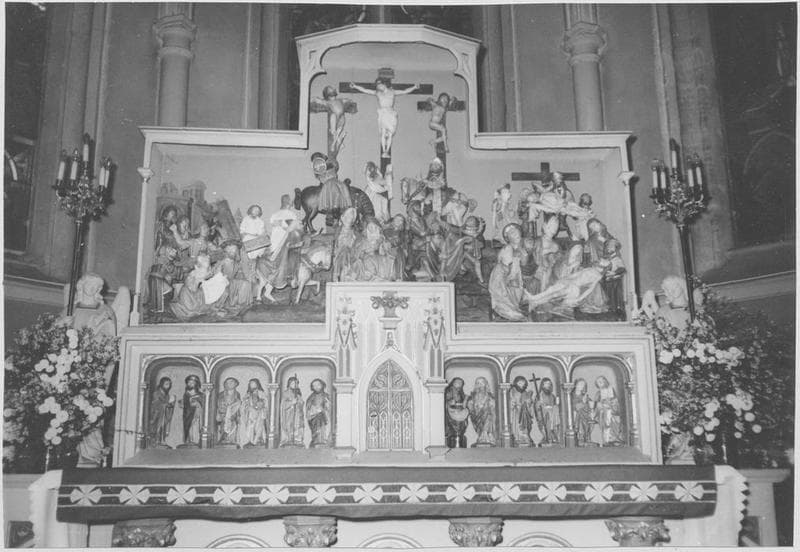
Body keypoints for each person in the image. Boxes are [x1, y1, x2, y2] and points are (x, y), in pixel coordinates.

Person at [350, 77, 420, 158]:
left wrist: (414, 87)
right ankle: (384, 151)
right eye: (377, 87)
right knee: (383, 132)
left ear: (384, 84)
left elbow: (404, 91)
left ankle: (387, 151)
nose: (378, 88)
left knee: (390, 134)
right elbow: (366, 90)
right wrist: (355, 86)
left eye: (379, 86)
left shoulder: (392, 92)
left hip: (391, 114)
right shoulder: (377, 93)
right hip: (383, 113)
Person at [488, 223, 529, 321]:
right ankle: (506, 310)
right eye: (512, 233)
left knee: (516, 292)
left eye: (516, 231)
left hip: (517, 277)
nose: (515, 234)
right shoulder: (506, 249)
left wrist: (524, 255)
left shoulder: (523, 248)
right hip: (502, 276)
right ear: (508, 238)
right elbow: (504, 266)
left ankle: (514, 308)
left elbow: (525, 264)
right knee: (503, 294)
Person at [309, 84, 357, 156]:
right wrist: (313, 99)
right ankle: (338, 143)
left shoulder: (340, 100)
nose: (333, 91)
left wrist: (349, 100)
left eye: (333, 90)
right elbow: (318, 100)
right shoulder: (327, 102)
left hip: (341, 116)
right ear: (328, 95)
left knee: (339, 129)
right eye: (331, 91)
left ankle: (337, 143)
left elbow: (346, 100)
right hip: (334, 116)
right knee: (333, 130)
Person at [170, 253, 212, 320]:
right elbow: (191, 308)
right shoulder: (188, 286)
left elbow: (202, 303)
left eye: (207, 268)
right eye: (205, 268)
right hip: (188, 303)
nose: (208, 271)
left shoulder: (200, 287)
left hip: (195, 297)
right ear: (196, 267)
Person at [216, 240, 256, 309]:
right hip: (223, 283)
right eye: (230, 250)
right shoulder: (225, 261)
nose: (232, 252)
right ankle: (231, 303)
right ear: (226, 251)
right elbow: (221, 275)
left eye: (234, 250)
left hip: (231, 281)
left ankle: (241, 303)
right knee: (242, 284)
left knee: (246, 283)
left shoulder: (236, 261)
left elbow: (241, 272)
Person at [239, 378, 269, 448]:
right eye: (251, 384)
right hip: (250, 414)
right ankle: (249, 440)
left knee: (259, 426)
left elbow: (265, 402)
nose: (252, 385)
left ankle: (257, 440)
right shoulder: (248, 394)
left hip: (259, 413)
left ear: (257, 384)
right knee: (250, 427)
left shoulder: (261, 393)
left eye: (253, 383)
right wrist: (247, 407)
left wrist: (260, 405)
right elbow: (244, 404)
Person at [466, 377, 496, 446]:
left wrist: (490, 404)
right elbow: (470, 405)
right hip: (477, 416)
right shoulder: (473, 396)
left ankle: (486, 436)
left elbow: (493, 405)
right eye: (478, 383)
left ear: (486, 384)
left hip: (487, 415)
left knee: (489, 416)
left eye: (482, 383)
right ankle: (481, 436)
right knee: (481, 426)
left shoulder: (489, 395)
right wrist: (471, 405)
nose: (480, 385)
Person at [594, 376, 624, 446]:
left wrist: (612, 403)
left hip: (612, 412)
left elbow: (616, 402)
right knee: (606, 424)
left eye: (602, 381)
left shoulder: (611, 390)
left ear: (605, 381)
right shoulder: (598, 393)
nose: (601, 383)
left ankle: (614, 439)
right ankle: (607, 440)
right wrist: (601, 405)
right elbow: (596, 404)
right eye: (599, 382)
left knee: (614, 422)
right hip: (603, 413)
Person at [332, 207, 359, 281]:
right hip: (338, 253)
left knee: (345, 251)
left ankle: (346, 274)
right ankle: (338, 275)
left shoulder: (355, 233)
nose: (349, 219)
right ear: (342, 217)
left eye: (351, 217)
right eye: (347, 216)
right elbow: (334, 244)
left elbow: (357, 245)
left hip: (351, 254)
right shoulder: (338, 231)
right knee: (343, 252)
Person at [148, 377, 176, 448]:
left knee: (163, 426)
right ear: (161, 384)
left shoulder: (167, 395)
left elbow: (166, 404)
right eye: (166, 384)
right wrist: (166, 404)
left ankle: (162, 440)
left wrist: (171, 403)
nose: (168, 386)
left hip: (163, 415)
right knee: (158, 427)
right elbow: (156, 403)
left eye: (169, 384)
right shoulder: (156, 393)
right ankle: (157, 441)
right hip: (157, 415)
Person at [509, 375, 535, 447]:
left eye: (523, 383)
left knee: (525, 425)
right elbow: (510, 403)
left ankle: (525, 436)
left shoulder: (525, 393)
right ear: (516, 383)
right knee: (518, 425)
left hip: (525, 413)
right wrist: (513, 404)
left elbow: (530, 405)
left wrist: (529, 402)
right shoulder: (513, 392)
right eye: (519, 383)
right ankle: (518, 437)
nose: (521, 385)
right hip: (517, 413)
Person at [534, 377, 561, 446]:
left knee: (555, 412)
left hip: (553, 414)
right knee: (548, 417)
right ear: (542, 385)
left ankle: (553, 436)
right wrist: (541, 405)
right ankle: (547, 437)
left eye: (549, 384)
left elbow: (554, 405)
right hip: (544, 415)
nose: (548, 385)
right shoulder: (540, 395)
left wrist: (555, 406)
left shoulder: (552, 396)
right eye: (546, 384)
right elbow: (537, 407)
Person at [216, 377, 241, 446]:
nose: (229, 384)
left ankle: (231, 440)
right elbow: (219, 404)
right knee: (224, 427)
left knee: (233, 426)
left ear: (236, 384)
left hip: (233, 415)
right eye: (227, 383)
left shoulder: (237, 394)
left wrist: (238, 415)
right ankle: (224, 439)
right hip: (224, 414)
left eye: (231, 382)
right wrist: (225, 411)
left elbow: (238, 405)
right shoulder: (221, 394)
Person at [280, 376, 305, 447]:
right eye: (293, 383)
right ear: (289, 384)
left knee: (298, 426)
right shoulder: (286, 393)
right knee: (289, 426)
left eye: (296, 383)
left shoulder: (298, 393)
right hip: (289, 414)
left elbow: (301, 403)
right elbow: (283, 405)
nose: (295, 385)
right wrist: (291, 403)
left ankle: (297, 440)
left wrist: (299, 402)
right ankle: (289, 439)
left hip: (297, 414)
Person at [306, 378, 331, 447]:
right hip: (314, 419)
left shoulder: (326, 396)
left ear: (322, 385)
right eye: (314, 386)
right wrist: (314, 410)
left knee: (324, 431)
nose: (317, 387)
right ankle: (316, 441)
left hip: (324, 418)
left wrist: (323, 409)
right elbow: (308, 409)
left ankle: (323, 441)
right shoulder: (311, 397)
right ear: (312, 387)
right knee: (316, 431)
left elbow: (329, 407)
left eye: (318, 385)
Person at [444, 377, 468, 448]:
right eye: (457, 382)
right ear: (453, 383)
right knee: (453, 426)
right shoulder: (448, 391)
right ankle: (453, 436)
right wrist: (449, 402)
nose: (459, 384)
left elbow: (463, 404)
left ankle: (459, 436)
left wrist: (465, 400)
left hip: (459, 412)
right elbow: (444, 401)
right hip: (451, 412)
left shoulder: (460, 392)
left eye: (461, 383)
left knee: (462, 425)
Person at [181, 375, 203, 447]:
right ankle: (188, 440)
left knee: (194, 426)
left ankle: (195, 440)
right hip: (187, 414)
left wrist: (197, 404)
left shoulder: (200, 395)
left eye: (192, 383)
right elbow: (185, 404)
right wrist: (183, 403)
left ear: (196, 384)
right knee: (187, 426)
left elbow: (203, 405)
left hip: (196, 414)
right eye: (189, 383)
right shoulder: (186, 394)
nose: (190, 384)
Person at [572, 378, 596, 447]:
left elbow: (591, 405)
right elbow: (574, 407)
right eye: (579, 384)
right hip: (576, 414)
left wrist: (592, 409)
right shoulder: (571, 395)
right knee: (580, 413)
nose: (581, 386)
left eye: (583, 385)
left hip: (586, 414)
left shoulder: (585, 396)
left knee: (588, 415)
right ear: (576, 385)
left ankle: (586, 437)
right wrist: (583, 402)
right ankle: (581, 437)